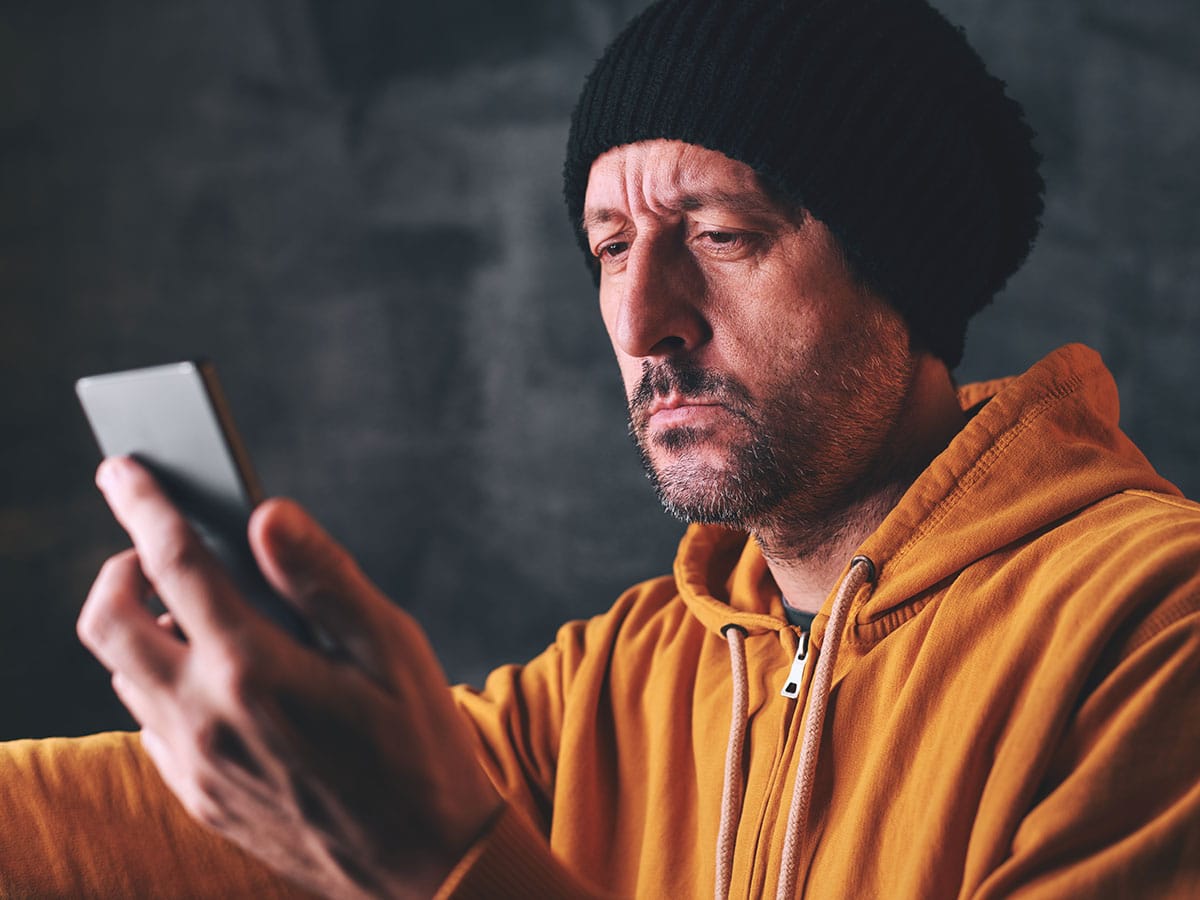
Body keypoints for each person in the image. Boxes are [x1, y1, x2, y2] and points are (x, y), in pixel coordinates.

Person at [2, 0, 1198, 896]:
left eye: (720, 234)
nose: (640, 324)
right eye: (611, 248)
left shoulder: (1153, 628)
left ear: (906, 276)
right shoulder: (625, 678)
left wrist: (442, 863)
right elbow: (125, 832)